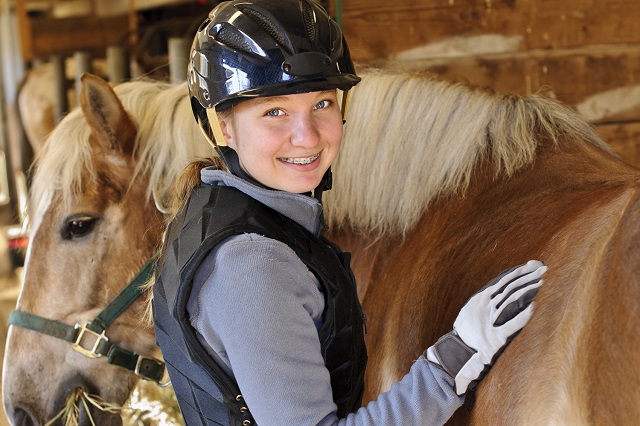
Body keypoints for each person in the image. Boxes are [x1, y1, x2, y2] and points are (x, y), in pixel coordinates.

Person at [152, 1, 547, 425]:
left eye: (322, 104)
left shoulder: (232, 214)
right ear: (221, 126)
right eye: (275, 112)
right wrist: (455, 358)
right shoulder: (251, 264)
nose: (306, 137)